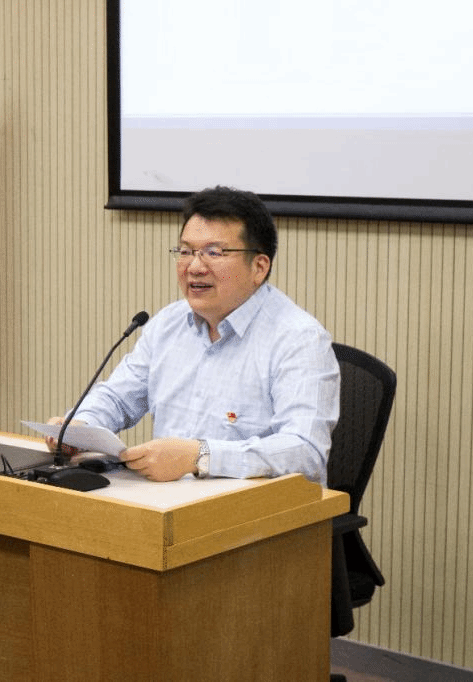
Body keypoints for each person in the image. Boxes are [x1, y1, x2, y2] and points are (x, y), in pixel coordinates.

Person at [49, 186, 340, 484]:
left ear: (259, 267)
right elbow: (118, 398)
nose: (195, 267)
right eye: (186, 252)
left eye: (214, 253)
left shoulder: (299, 339)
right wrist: (80, 426)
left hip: (253, 508)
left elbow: (305, 452)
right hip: (167, 502)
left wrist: (200, 457)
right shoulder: (168, 324)